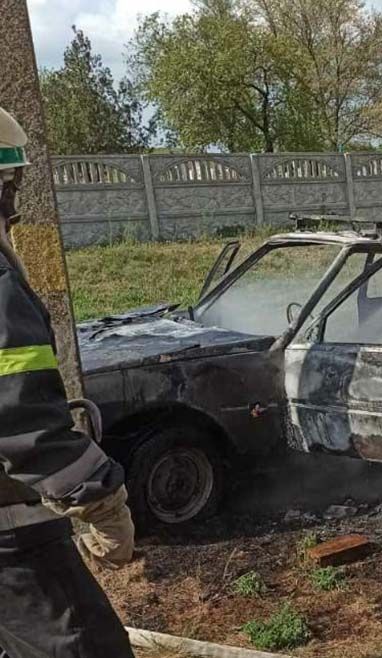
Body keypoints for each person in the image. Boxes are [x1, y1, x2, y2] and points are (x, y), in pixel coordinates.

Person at [0, 106, 136, 656]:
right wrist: (102, 503)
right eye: (8, 184)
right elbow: (19, 412)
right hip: (13, 538)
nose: (12, 200)